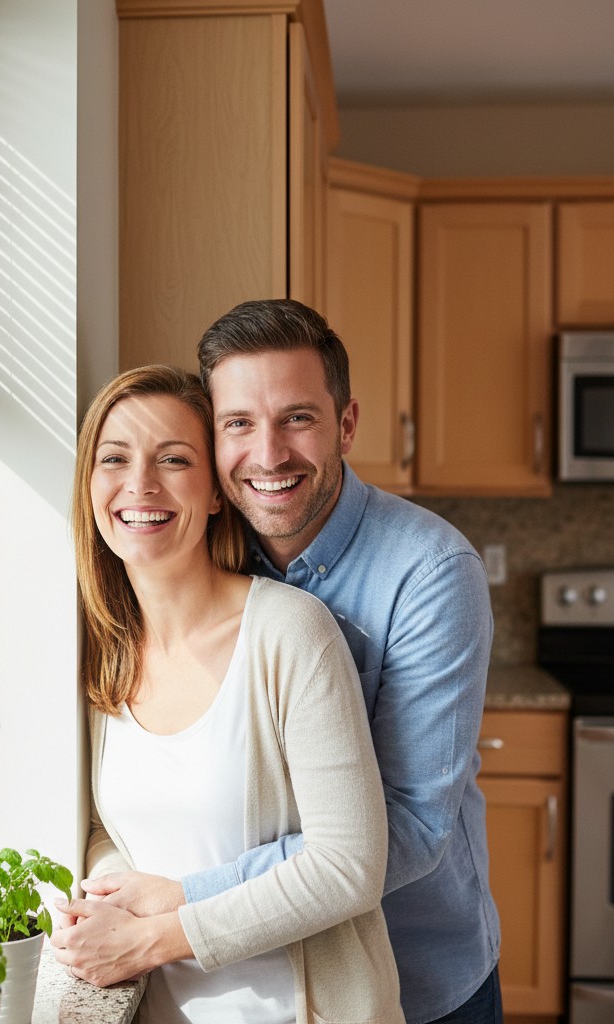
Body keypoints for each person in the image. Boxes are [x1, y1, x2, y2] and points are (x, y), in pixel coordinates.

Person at [77, 300, 501, 1024]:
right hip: (243, 973)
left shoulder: (429, 572)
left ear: (347, 424)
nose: (269, 455)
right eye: (239, 424)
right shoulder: (203, 559)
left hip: (416, 975)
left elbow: (409, 829)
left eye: (298, 418)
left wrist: (182, 896)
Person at [50, 363, 403, 1024]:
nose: (140, 486)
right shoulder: (106, 650)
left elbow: (350, 865)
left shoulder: (291, 633)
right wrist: (109, 892)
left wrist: (150, 938)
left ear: (215, 492)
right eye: (114, 458)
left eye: (174, 460)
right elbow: (111, 825)